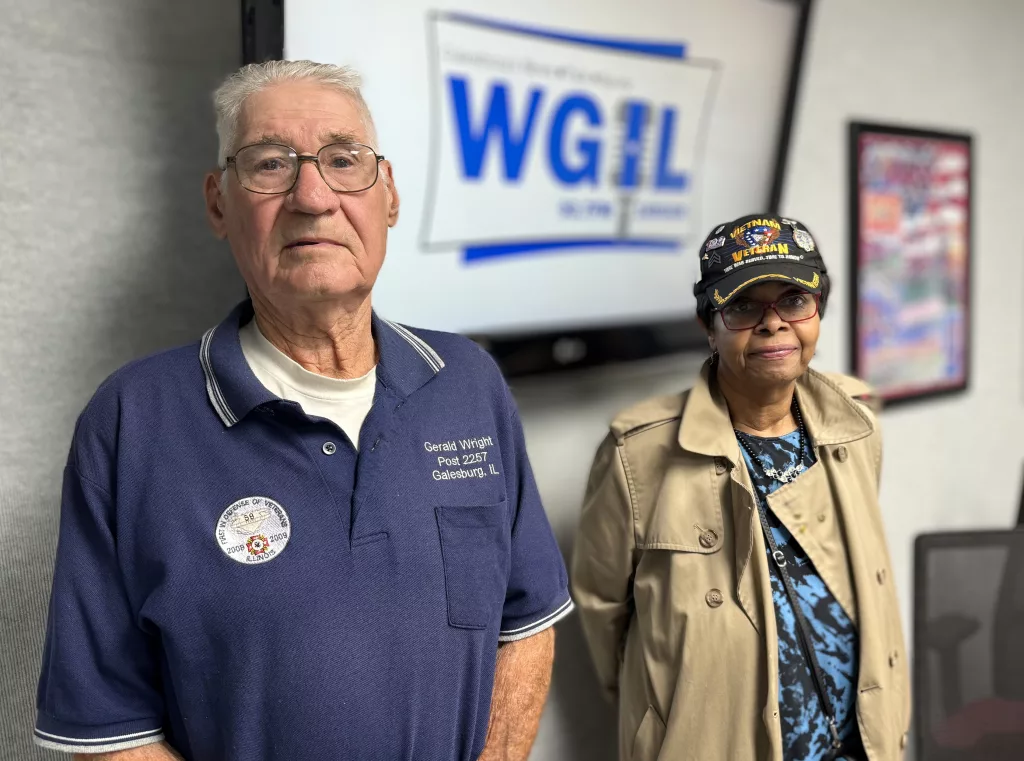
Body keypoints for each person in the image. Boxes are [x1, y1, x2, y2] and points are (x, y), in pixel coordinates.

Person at [34, 60, 572, 761]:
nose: (313, 197)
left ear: (389, 195)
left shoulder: (467, 381)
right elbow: (108, 727)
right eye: (270, 164)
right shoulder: (131, 421)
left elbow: (526, 623)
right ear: (219, 203)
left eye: (344, 160)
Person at [571, 214, 910, 761]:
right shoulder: (636, 455)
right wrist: (664, 715)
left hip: (856, 744)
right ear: (709, 326)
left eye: (794, 301)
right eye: (744, 307)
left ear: (818, 310)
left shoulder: (856, 422)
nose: (773, 324)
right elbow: (603, 613)